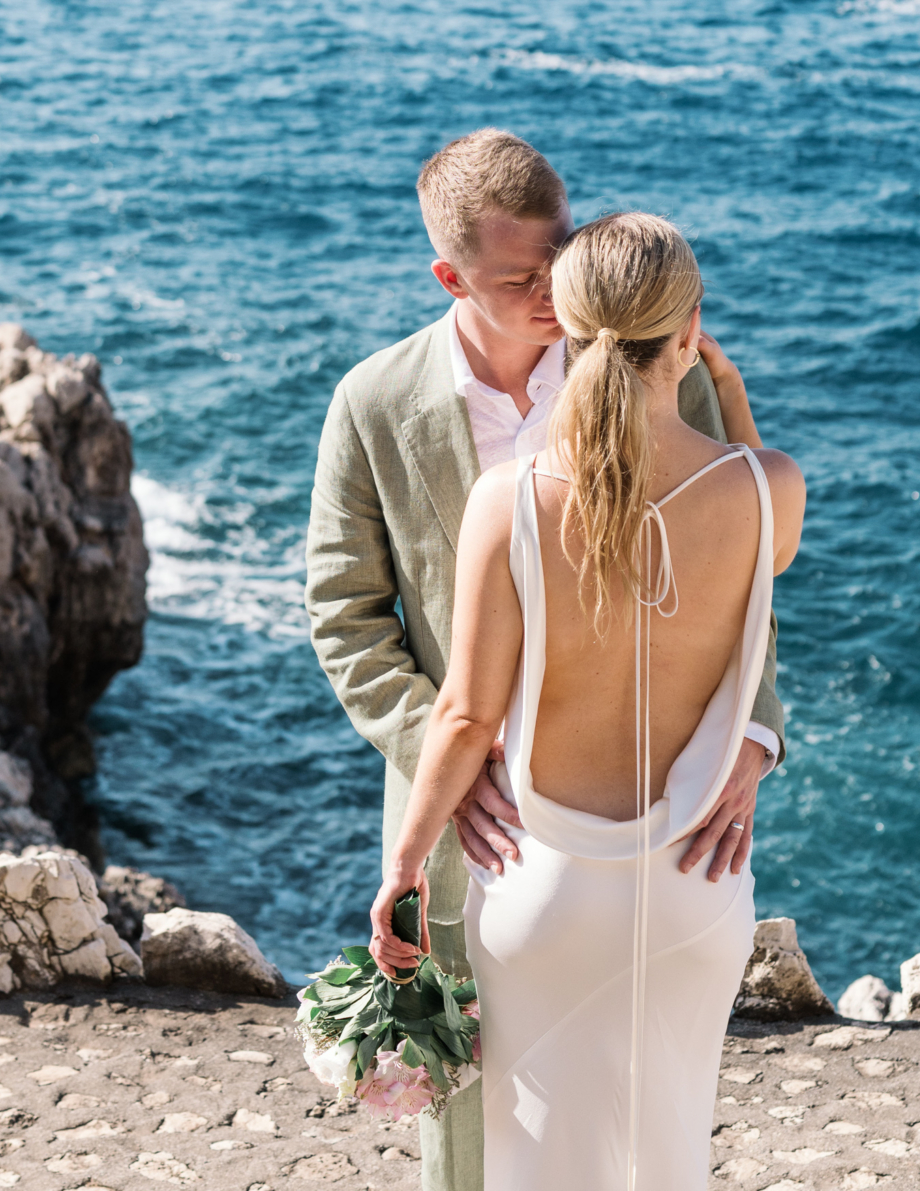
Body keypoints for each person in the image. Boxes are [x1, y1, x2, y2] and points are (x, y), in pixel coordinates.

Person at [305, 131, 785, 1191]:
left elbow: (738, 572)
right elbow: (345, 620)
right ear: (449, 277)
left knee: (634, 1124)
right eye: (519, 276)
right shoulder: (373, 404)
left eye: (559, 254)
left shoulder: (653, 360)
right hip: (479, 830)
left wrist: (757, 733)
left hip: (659, 824)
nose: (550, 288)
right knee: (476, 1136)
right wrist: (454, 761)